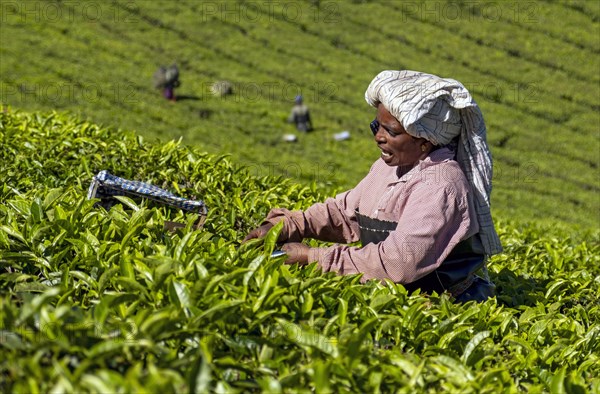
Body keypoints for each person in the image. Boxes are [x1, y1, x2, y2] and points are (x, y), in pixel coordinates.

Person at [244, 70, 503, 302]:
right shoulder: (389, 165)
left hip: (442, 303)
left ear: (425, 142)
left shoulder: (441, 185)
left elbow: (398, 262)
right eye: (376, 126)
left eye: (391, 131)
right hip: (394, 294)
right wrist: (290, 224)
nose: (379, 137)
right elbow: (346, 213)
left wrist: (313, 257)